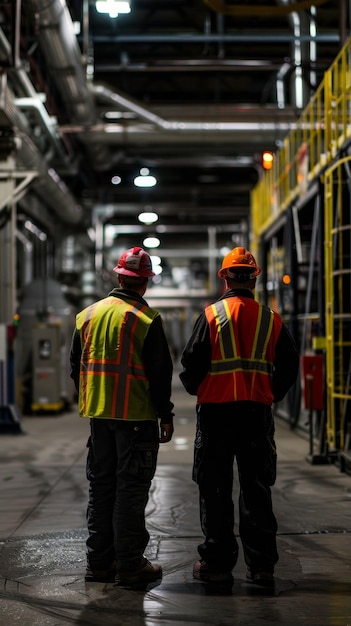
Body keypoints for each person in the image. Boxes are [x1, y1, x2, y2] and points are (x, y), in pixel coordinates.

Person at [179, 246, 299, 586]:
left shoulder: (212, 316)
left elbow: (190, 367)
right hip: (255, 414)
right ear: (255, 279)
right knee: (256, 489)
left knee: (215, 489)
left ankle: (216, 565)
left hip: (216, 415)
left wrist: (198, 388)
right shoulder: (270, 318)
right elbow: (289, 365)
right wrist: (270, 392)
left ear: (225, 278)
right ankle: (261, 569)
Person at [70, 246, 174, 586]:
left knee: (101, 489)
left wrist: (93, 398)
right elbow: (160, 375)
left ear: (118, 277)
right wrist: (166, 415)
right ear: (145, 283)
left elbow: (76, 367)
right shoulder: (147, 320)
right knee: (130, 491)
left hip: (99, 418)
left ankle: (98, 564)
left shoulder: (87, 315)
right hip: (136, 419)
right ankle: (129, 564)